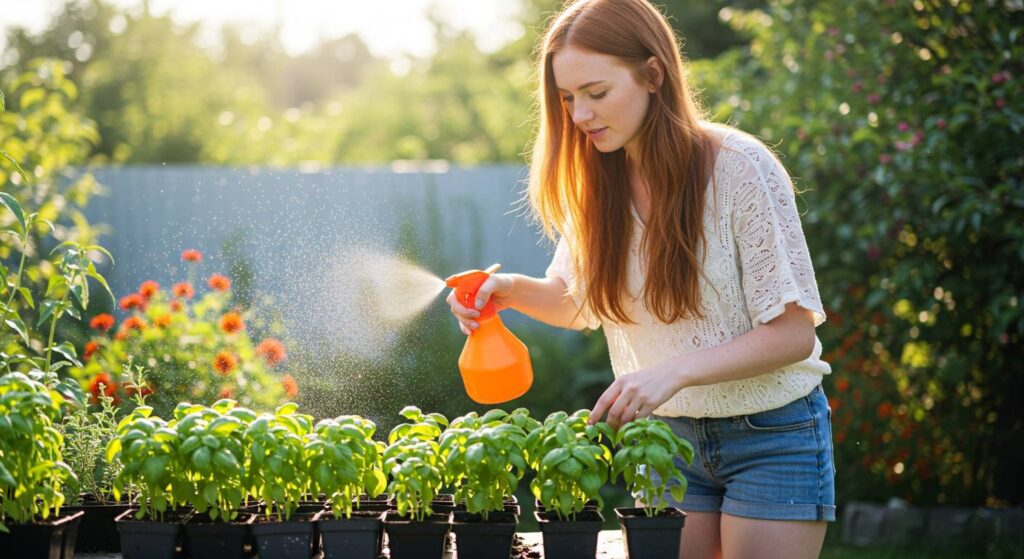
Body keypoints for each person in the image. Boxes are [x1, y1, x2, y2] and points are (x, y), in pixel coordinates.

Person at [446, 0, 835, 557]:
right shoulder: (597, 182)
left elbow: (793, 333)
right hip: (663, 440)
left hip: (772, 435)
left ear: (654, 75)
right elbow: (575, 302)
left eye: (597, 93)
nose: (579, 115)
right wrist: (508, 293)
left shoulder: (739, 167)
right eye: (567, 98)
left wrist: (671, 372)